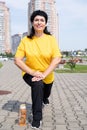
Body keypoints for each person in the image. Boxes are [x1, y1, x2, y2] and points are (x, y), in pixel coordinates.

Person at [14, 10, 62, 129]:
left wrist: (44, 74)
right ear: (32, 22)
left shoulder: (51, 39)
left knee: (46, 93)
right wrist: (33, 72)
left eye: (42, 20)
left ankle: (44, 97)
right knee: (37, 84)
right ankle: (37, 118)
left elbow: (56, 59)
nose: (39, 22)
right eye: (36, 20)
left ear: (45, 24)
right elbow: (17, 60)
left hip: (47, 75)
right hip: (29, 73)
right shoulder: (26, 40)